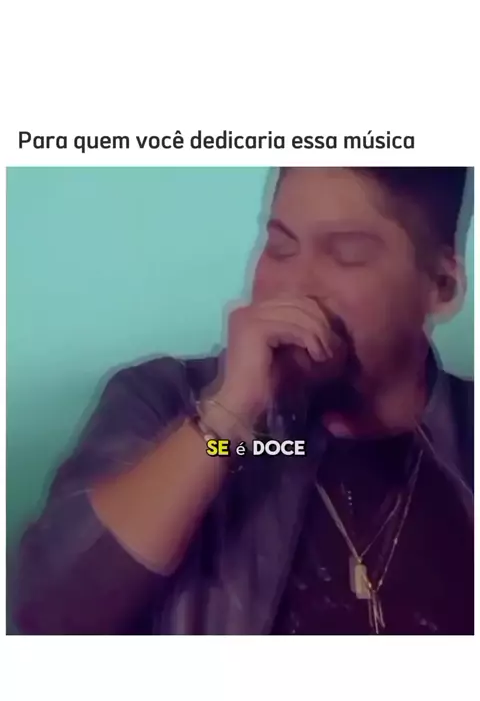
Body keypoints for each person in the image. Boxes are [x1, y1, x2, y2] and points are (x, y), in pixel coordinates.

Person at [11, 167, 474, 635]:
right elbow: (44, 619)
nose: (295, 284)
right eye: (280, 246)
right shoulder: (162, 401)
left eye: (347, 255)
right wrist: (227, 419)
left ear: (442, 285)